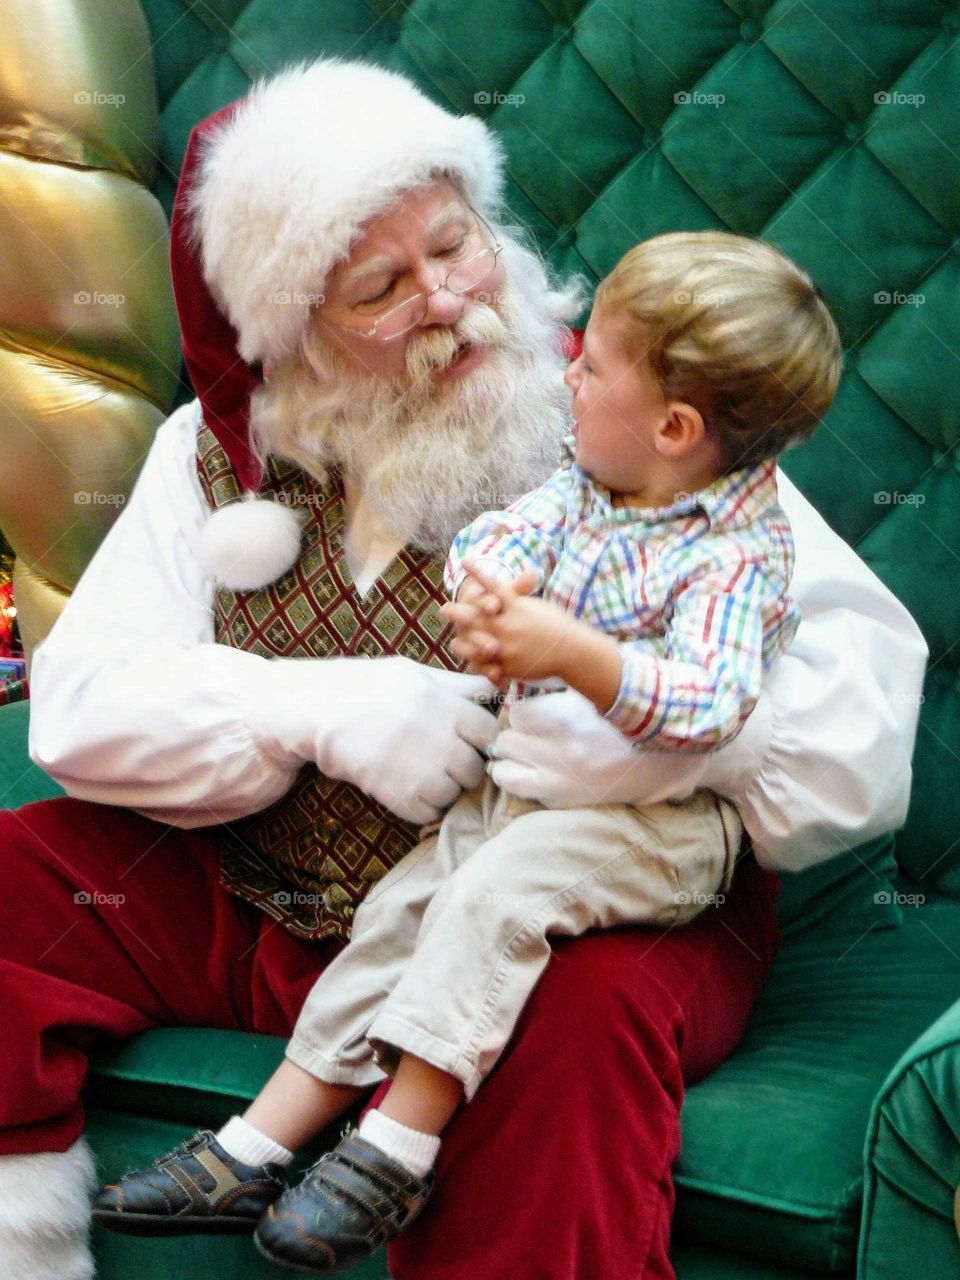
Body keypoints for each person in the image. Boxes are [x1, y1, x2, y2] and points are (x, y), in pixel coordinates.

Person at [0, 58, 925, 1280]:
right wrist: (307, 706)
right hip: (279, 894)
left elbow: (862, 702)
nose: (448, 300)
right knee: (22, 880)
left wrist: (662, 738)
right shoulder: (211, 458)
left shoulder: (627, 418)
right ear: (292, 337)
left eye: (457, 243)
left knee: (569, 1013)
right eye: (383, 287)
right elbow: (77, 704)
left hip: (582, 895)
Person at [92, 230, 844, 1275]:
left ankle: (394, 1144)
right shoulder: (594, 480)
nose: (570, 368)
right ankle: (256, 1143)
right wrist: (494, 585)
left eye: (594, 367)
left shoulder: (738, 552)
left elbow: (706, 704)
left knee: (494, 896)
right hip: (525, 793)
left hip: (652, 829)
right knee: (406, 910)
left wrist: (572, 653)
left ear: (675, 426)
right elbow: (514, 531)